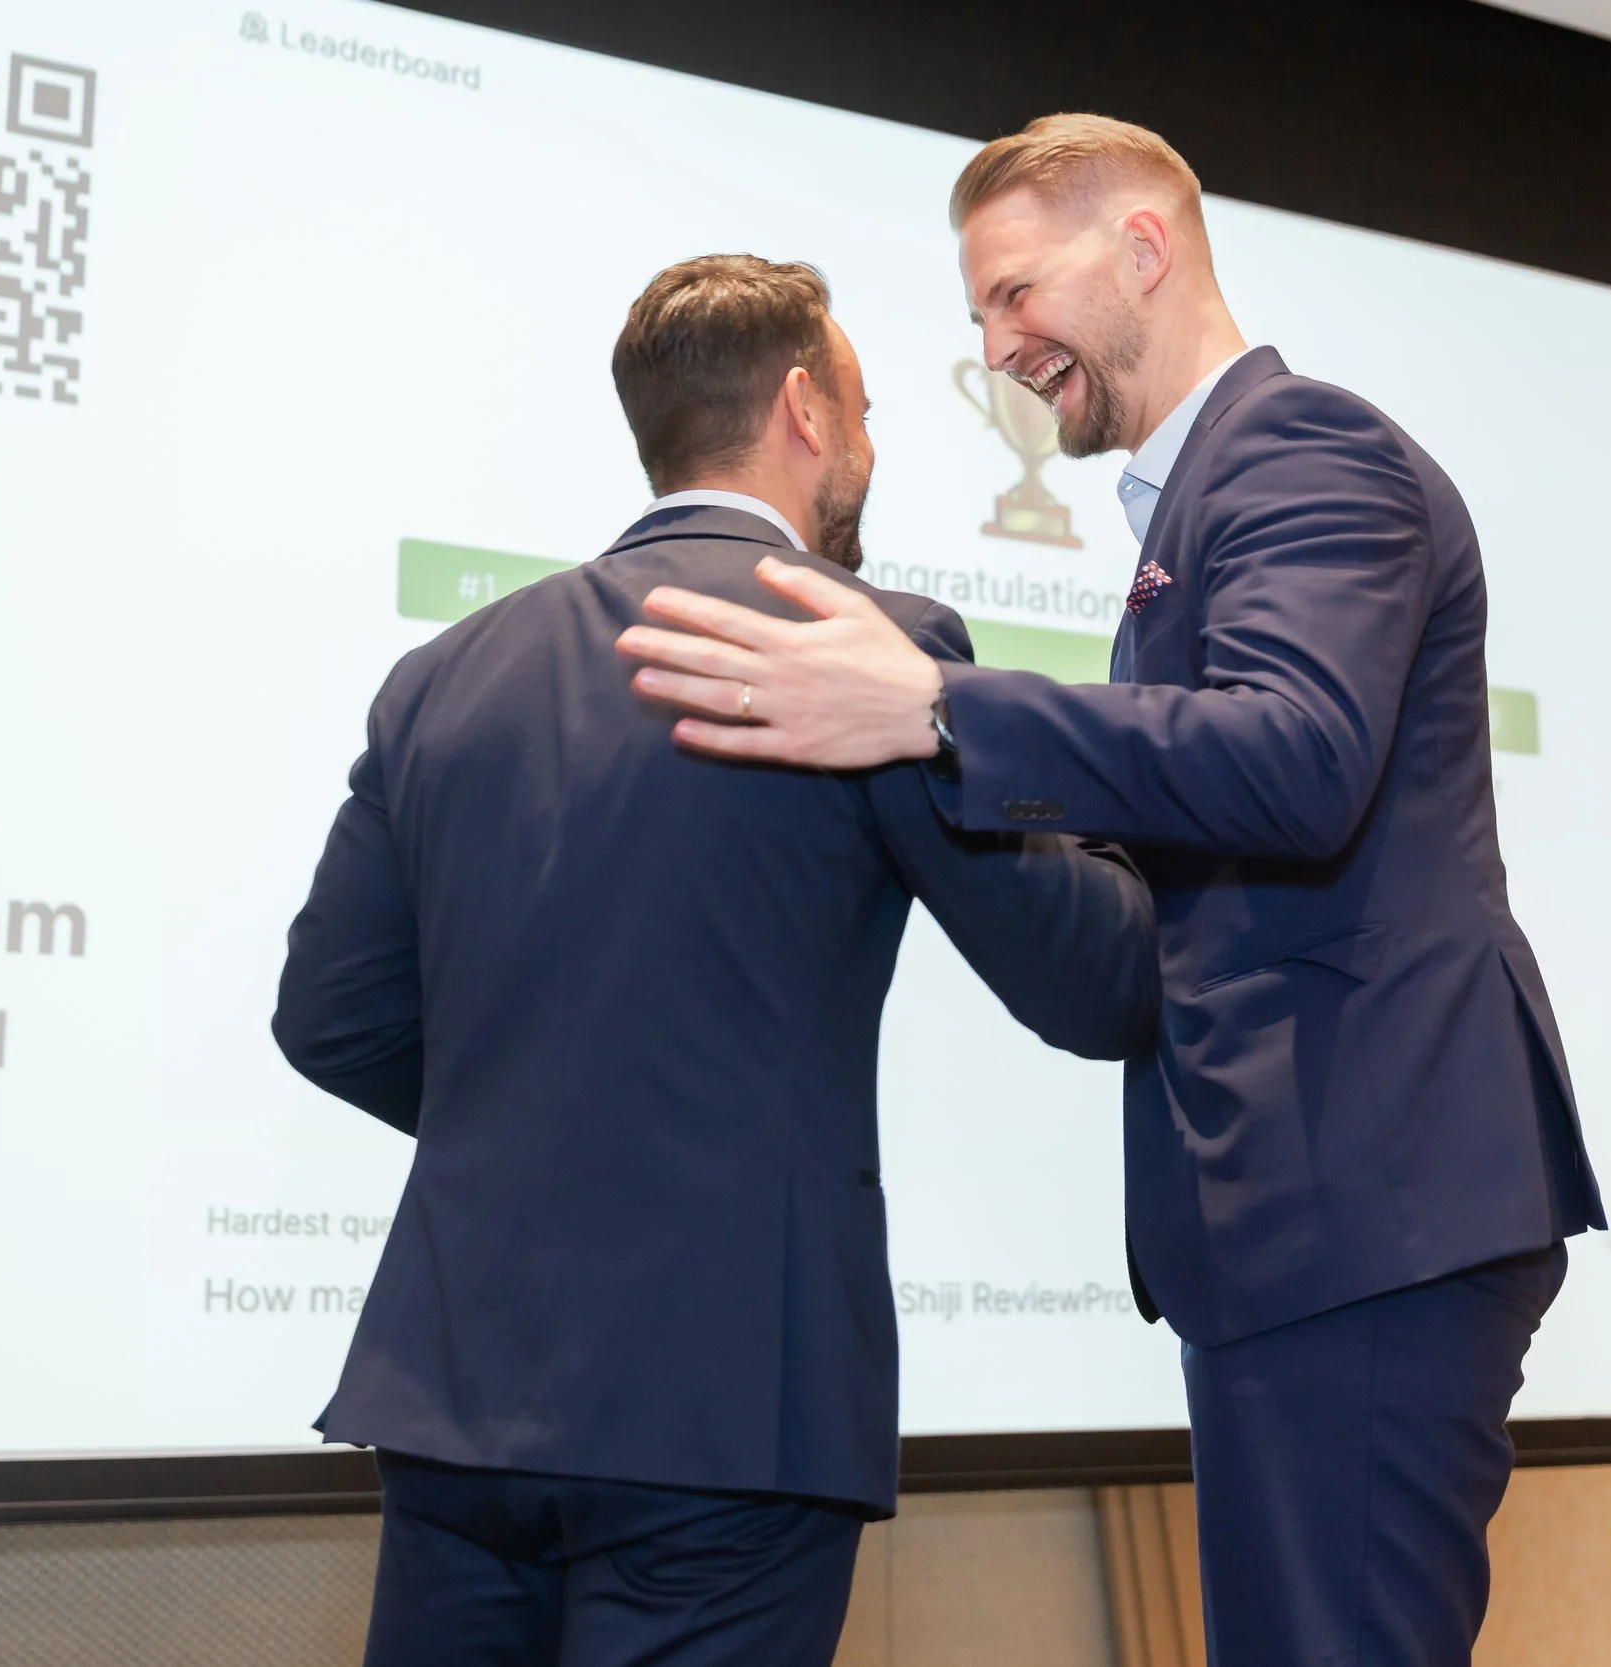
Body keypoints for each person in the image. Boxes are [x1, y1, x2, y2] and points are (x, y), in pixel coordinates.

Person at [613, 118, 1606, 1666]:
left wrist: (940, 709)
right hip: (1325, 1213)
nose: (1001, 351)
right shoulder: (1202, 501)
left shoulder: (1303, 450)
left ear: (1143, 247)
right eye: (977, 319)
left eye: (1015, 296)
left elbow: (1298, 756)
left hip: (1370, 1196)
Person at [272, 252, 1158, 1667]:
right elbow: (1093, 981)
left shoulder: (446, 672)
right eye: (863, 408)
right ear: (803, 409)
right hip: (728, 1409)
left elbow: (330, 1017)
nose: (870, 445)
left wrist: (535, 1124)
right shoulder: (860, 647)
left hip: (456, 1397)